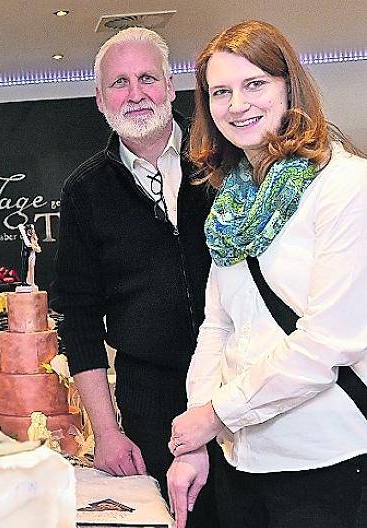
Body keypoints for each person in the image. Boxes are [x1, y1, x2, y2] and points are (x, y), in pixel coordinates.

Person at [166, 20, 367, 528]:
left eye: (255, 84)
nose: (237, 105)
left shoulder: (345, 185)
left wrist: (216, 415)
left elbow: (328, 342)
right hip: (242, 461)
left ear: (289, 87)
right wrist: (196, 439)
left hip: (330, 460)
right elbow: (218, 327)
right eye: (221, 92)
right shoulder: (232, 202)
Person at [49, 27, 218, 526]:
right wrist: (106, 431)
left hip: (242, 383)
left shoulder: (223, 161)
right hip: (150, 397)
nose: (136, 93)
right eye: (119, 82)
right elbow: (78, 318)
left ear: (170, 86)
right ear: (100, 99)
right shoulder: (85, 192)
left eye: (147, 77)